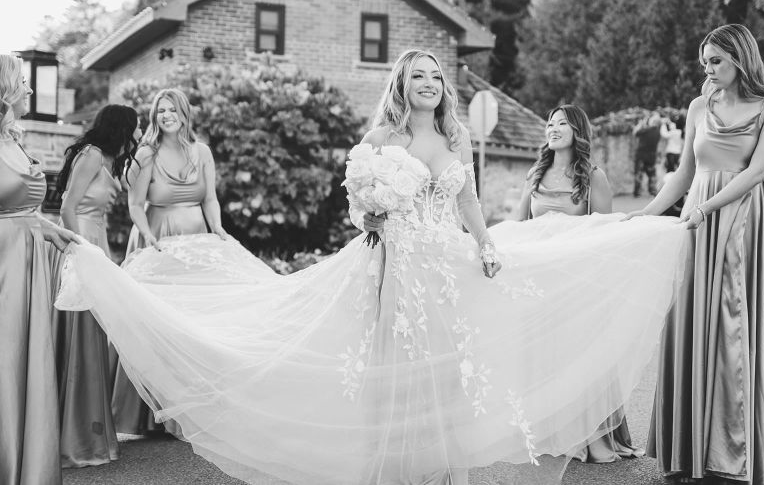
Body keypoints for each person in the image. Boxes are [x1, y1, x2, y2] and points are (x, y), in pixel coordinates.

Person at [56, 50, 689, 485]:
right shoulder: (381, 140)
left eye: (436, 76)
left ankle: (442, 471)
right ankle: (397, 467)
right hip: (396, 265)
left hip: (446, 263)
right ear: (402, 86)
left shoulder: (456, 138)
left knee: (448, 368)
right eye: (419, 76)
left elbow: (467, 200)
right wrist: (373, 217)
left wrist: (485, 245)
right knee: (398, 362)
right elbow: (359, 205)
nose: (430, 84)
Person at [627, 24, 764, 484]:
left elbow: (757, 171)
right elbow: (684, 173)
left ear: (740, 57)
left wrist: (706, 208)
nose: (709, 70)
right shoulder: (699, 106)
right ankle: (689, 452)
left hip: (737, 218)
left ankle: (731, 456)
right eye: (705, 63)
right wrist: (647, 212)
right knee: (691, 319)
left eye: (716, 61)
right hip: (696, 221)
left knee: (729, 324)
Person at [517, 104, 644, 464]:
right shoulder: (535, 173)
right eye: (550, 123)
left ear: (577, 132)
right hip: (541, 279)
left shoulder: (593, 176)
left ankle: (590, 436)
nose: (553, 128)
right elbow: (519, 225)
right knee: (548, 355)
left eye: (562, 123)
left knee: (580, 356)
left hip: (577, 279)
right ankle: (552, 431)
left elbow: (603, 234)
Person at [110, 88, 227, 436]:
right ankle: (144, 414)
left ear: (184, 113)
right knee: (152, 323)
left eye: (172, 109)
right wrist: (147, 235)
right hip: (157, 239)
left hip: (195, 244)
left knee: (191, 321)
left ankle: (190, 411)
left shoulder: (202, 152)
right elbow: (135, 205)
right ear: (154, 116)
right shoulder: (147, 153)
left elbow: (210, 198)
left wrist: (218, 228)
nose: (166, 115)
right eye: (160, 110)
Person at [0, 53, 77, 484]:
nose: (30, 89)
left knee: (25, 357)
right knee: (5, 355)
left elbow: (23, 208)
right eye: (23, 82)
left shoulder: (15, 139)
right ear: (5, 89)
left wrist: (50, 230)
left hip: (30, 258)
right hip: (4, 261)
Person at [53, 104, 141, 467]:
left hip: (96, 247)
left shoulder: (108, 159)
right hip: (81, 247)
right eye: (135, 128)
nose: (138, 134)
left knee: (96, 337)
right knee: (84, 338)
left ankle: (88, 431)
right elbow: (66, 207)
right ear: (121, 128)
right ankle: (75, 436)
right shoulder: (90, 155)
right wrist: (79, 252)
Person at [632, 111, 662, 197]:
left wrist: (641, 124)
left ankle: (637, 192)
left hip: (641, 155)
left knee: (638, 173)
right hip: (651, 156)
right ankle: (652, 191)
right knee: (652, 174)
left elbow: (635, 133)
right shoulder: (658, 133)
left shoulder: (646, 130)